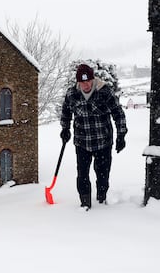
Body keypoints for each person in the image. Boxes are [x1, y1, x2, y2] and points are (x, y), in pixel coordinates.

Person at [60, 63, 128, 210]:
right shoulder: (72, 94)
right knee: (82, 174)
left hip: (103, 141)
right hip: (82, 141)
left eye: (88, 81)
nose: (85, 85)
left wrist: (121, 134)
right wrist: (65, 128)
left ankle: (101, 198)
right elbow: (66, 112)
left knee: (102, 174)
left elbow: (118, 113)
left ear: (93, 79)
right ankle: (85, 203)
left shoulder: (104, 92)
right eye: (82, 82)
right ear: (78, 82)